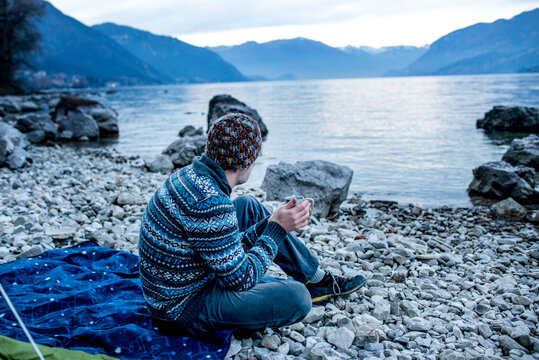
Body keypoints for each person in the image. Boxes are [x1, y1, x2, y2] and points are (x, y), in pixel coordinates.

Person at [138, 113, 366, 338]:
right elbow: (242, 279)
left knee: (247, 205)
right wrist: (276, 229)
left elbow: (215, 240)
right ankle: (307, 286)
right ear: (250, 160)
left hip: (179, 282)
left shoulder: (190, 174)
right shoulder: (211, 203)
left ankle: (314, 278)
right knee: (298, 298)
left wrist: (270, 222)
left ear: (209, 147)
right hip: (181, 309)